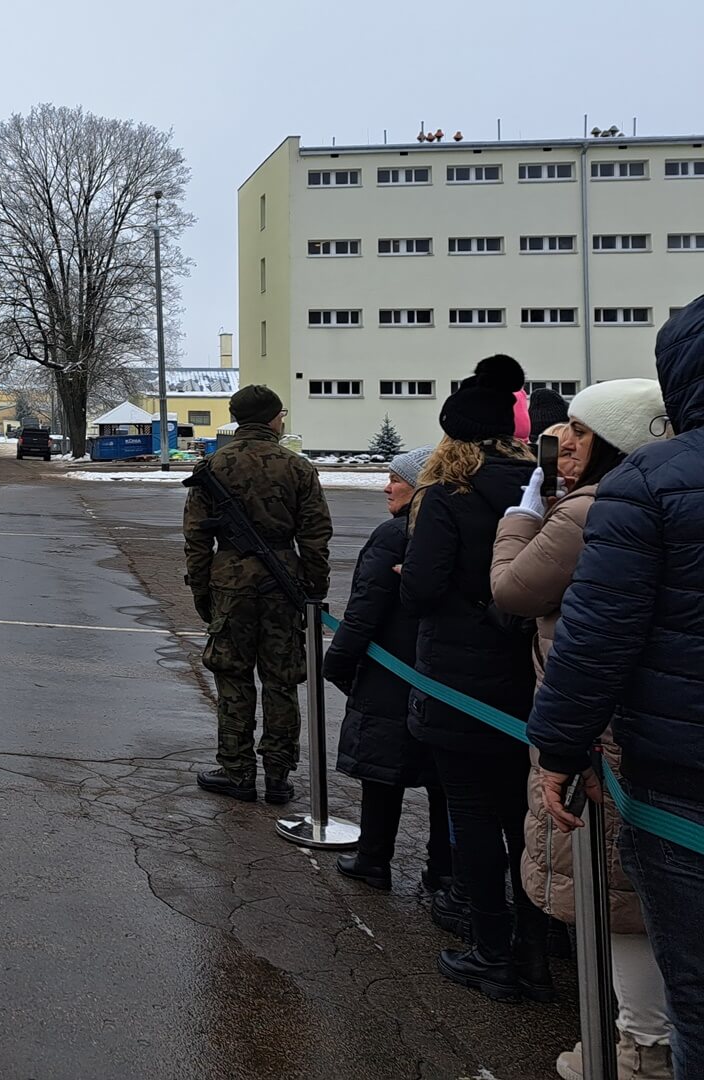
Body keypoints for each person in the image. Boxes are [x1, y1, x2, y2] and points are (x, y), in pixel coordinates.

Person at [530, 297, 704, 1078]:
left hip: (680, 779)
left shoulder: (651, 483)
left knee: (695, 997)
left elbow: (595, 638)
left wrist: (557, 749)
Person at [493, 381, 674, 1078]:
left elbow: (513, 590)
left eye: (580, 429)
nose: (562, 440)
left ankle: (637, 1049)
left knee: (621, 899)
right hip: (647, 726)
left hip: (602, 736)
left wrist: (521, 518)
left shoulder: (590, 511)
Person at [397, 354, 545, 1004]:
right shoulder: (538, 487)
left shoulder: (445, 497)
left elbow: (424, 588)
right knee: (527, 820)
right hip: (527, 681)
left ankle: (492, 950)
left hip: (458, 686)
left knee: (475, 817)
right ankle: (539, 955)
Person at [183, 385, 333, 804]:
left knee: (233, 677)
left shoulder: (215, 464)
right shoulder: (297, 466)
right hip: (283, 584)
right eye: (280, 414)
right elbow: (316, 536)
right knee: (281, 681)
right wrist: (312, 592)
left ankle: (238, 771)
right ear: (271, 419)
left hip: (229, 583)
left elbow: (196, 538)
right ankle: (278, 775)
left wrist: (201, 591)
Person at [324, 446, 452, 895]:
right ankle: (444, 871)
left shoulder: (393, 534)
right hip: (441, 676)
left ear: (418, 486)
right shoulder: (450, 530)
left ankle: (373, 859)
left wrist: (338, 660)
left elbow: (365, 608)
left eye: (395, 478)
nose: (387, 486)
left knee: (382, 772)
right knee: (443, 781)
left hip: (388, 670)